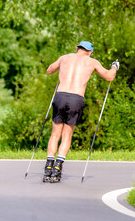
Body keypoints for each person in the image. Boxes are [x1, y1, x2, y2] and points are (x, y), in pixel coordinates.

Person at [43, 41, 119, 183]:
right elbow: (109, 76)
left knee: (55, 134)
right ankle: (57, 169)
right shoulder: (92, 62)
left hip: (60, 96)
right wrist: (114, 67)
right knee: (67, 135)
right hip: (76, 98)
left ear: (77, 48)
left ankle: (48, 167)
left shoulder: (64, 57)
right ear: (90, 52)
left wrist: (59, 68)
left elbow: (49, 70)